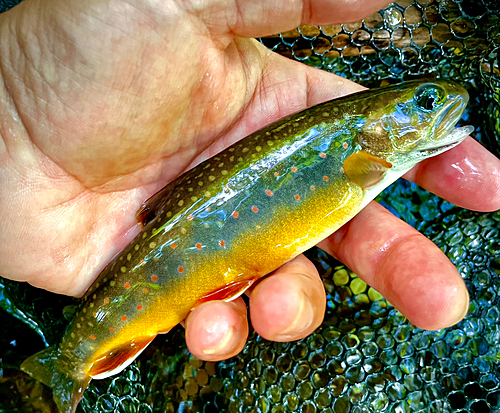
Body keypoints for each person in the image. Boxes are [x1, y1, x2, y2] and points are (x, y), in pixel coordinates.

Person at [0, 0, 499, 361]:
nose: (440, 104)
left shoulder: (362, 150)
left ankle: (77, 355)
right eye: (426, 104)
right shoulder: (358, 150)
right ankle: (75, 359)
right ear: (376, 124)